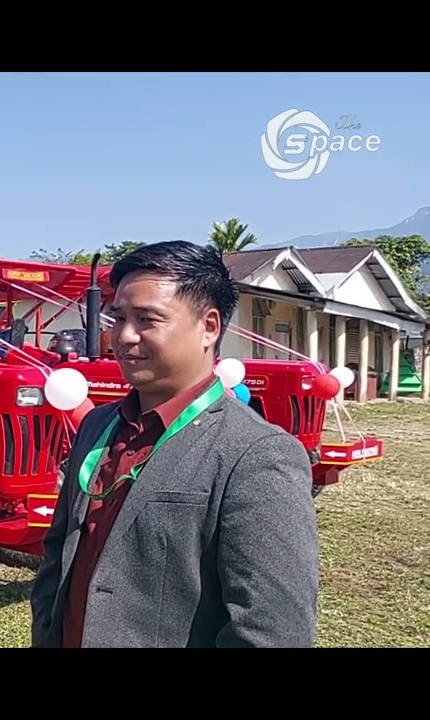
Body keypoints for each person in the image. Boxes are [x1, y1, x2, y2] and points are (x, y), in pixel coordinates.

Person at [29, 240, 319, 648]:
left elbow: (272, 632)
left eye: (148, 319)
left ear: (210, 328)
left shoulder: (256, 455)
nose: (124, 336)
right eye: (118, 317)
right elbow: (58, 556)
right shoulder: (98, 426)